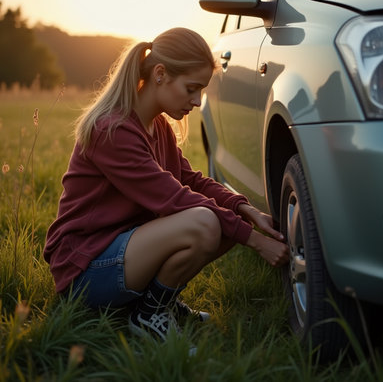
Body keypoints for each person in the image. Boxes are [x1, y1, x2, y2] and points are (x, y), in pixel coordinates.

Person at [44, 27, 289, 344]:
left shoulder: (158, 125)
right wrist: (255, 242)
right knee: (204, 221)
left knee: (225, 216)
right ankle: (149, 314)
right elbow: (175, 198)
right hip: (85, 270)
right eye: (191, 88)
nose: (198, 101)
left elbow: (190, 180)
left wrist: (246, 210)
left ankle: (155, 303)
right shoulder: (113, 130)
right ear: (160, 74)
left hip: (121, 251)